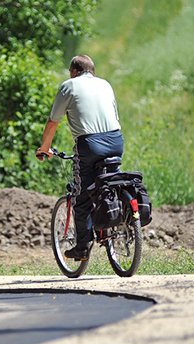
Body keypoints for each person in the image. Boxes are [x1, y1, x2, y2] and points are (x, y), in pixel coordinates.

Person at [35, 54, 124, 261]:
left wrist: (44, 148)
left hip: (90, 145)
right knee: (109, 183)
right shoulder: (106, 85)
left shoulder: (70, 85)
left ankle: (83, 247)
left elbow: (53, 121)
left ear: (74, 71)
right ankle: (117, 224)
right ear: (91, 70)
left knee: (81, 196)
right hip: (116, 140)